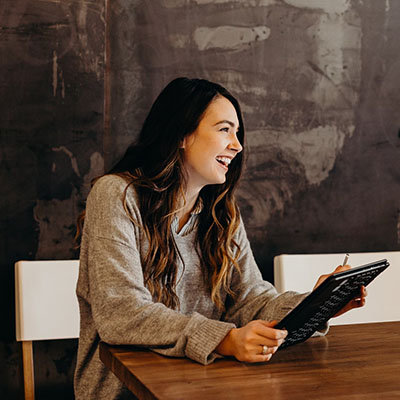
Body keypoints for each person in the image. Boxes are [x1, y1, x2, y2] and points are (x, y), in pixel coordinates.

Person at [73, 77, 366, 400]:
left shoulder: (221, 214)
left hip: (205, 387)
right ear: (182, 134)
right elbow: (122, 314)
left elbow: (250, 301)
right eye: (225, 129)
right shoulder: (116, 196)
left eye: (237, 133)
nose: (237, 145)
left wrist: (316, 304)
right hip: (127, 393)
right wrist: (225, 340)